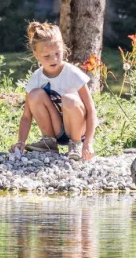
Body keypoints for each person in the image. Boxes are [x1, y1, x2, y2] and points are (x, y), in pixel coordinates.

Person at [13, 21, 97, 160]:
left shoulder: (72, 73)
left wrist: (88, 142)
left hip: (76, 128)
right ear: (36, 54)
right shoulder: (36, 78)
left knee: (69, 99)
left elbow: (90, 109)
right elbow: (27, 116)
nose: (54, 59)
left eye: (58, 53)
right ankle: (49, 142)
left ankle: (75, 144)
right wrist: (21, 142)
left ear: (63, 49)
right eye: (47, 56)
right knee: (35, 95)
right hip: (56, 128)